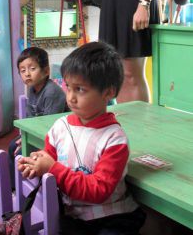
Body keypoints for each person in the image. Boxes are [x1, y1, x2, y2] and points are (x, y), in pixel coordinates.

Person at [18, 41, 146, 235]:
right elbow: (48, 157)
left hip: (110, 219)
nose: (70, 97)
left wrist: (52, 168)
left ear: (108, 92)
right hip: (73, 215)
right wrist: (35, 164)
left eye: (80, 89)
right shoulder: (59, 128)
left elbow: (99, 190)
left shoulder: (114, 139)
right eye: (68, 87)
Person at [8, 46, 67, 190]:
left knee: (22, 153)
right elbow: (29, 119)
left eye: (32, 69)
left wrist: (27, 141)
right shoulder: (32, 89)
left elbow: (50, 127)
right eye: (23, 70)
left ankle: (34, 189)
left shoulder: (51, 92)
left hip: (56, 138)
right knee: (12, 147)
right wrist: (24, 137)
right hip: (38, 134)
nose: (27, 74)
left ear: (46, 71)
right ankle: (15, 189)